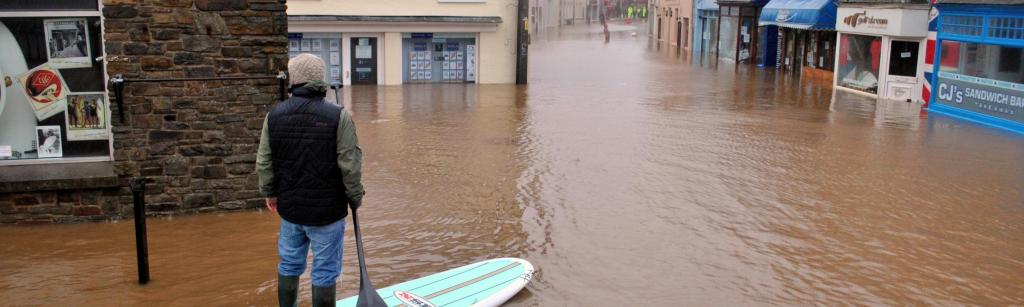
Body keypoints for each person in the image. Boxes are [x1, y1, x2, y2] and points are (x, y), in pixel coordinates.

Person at [256, 53, 365, 307]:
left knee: (290, 264)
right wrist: (355, 197)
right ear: (320, 80)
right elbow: (350, 165)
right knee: (325, 271)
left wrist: (270, 194)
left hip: (291, 210)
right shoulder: (339, 116)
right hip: (327, 213)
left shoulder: (274, 116)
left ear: (293, 80)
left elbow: (264, 162)